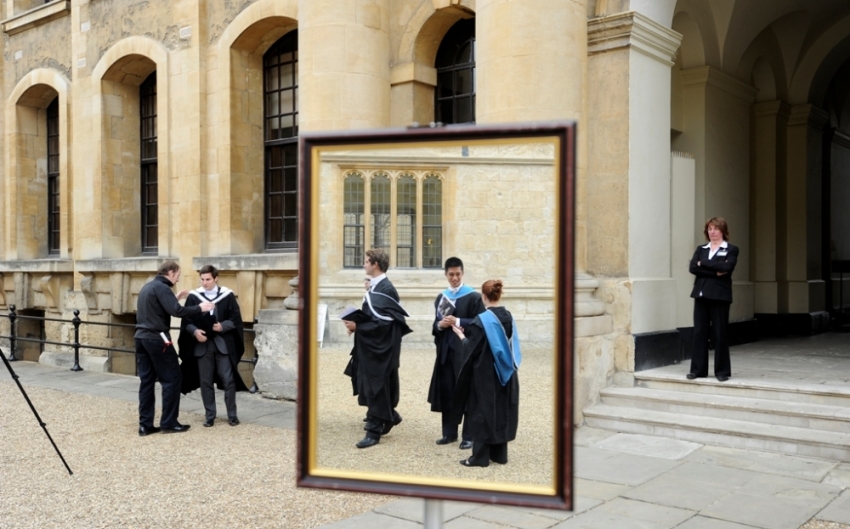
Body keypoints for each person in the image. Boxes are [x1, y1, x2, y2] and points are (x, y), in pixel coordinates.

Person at [134, 260, 214, 436]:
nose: (177, 280)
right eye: (177, 276)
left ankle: (145, 425)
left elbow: (155, 309)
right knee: (172, 379)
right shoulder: (162, 288)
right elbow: (178, 312)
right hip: (157, 338)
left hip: (141, 338)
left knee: (146, 382)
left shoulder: (148, 287)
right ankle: (169, 422)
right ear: (170, 273)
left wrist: (174, 299)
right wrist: (199, 308)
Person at [342, 248, 412, 448]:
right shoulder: (375, 288)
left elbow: (388, 324)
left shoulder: (387, 289)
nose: (363, 264)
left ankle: (373, 432)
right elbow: (374, 318)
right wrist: (355, 324)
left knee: (376, 386)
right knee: (373, 385)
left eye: (366, 261)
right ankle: (389, 416)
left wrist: (359, 326)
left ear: (375, 264)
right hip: (371, 346)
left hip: (382, 349)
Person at [450, 279, 521, 467]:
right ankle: (499, 454)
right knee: (501, 409)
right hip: (506, 372)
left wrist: (461, 336)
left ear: (483, 297)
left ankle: (479, 457)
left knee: (481, 411)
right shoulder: (508, 316)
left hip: (485, 375)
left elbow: (471, 350)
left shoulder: (481, 321)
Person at [177, 265, 248, 427]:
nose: (205, 283)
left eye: (208, 279)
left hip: (222, 344)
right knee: (205, 381)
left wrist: (222, 326)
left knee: (228, 379)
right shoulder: (194, 297)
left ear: (216, 278)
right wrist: (195, 332)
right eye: (202, 279)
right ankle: (210, 415)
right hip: (203, 346)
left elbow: (236, 319)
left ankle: (232, 415)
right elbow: (187, 320)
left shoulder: (227, 296)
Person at [427, 257, 485, 450]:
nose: (454, 278)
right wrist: (440, 325)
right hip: (445, 353)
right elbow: (435, 327)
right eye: (451, 274)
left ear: (462, 274)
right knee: (447, 392)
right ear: (446, 275)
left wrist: (458, 321)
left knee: (466, 392)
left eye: (457, 274)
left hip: (464, 353)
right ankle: (449, 433)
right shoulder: (441, 298)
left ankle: (468, 436)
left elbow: (480, 324)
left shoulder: (473, 297)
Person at [687, 217, 739, 382]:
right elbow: (693, 267)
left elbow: (727, 268)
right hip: (701, 295)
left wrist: (705, 264)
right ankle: (697, 370)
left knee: (720, 333)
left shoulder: (731, 249)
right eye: (709, 229)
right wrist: (714, 269)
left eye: (716, 229)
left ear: (723, 231)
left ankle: (722, 371)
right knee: (699, 333)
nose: (712, 232)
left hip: (720, 296)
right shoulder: (701, 249)